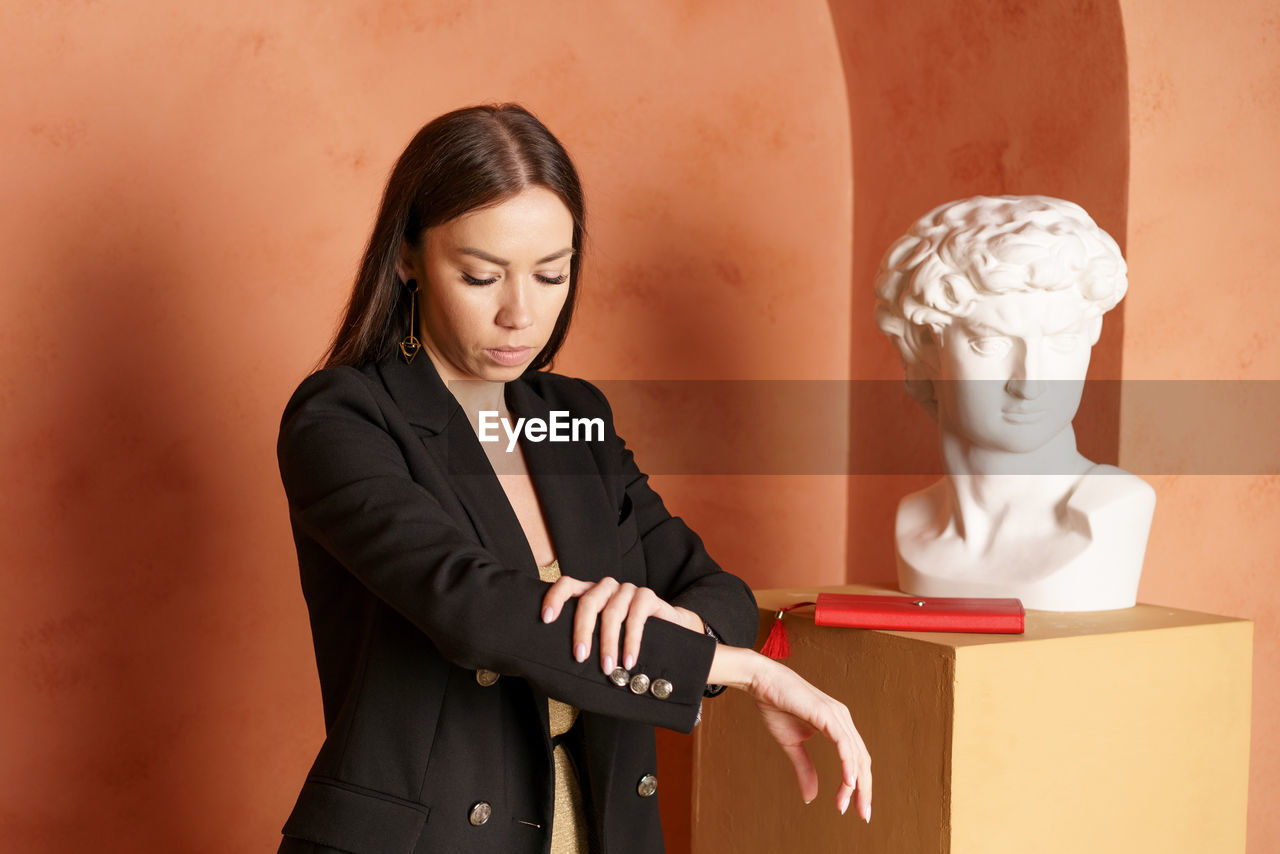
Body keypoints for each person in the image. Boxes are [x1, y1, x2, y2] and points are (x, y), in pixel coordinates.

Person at [275, 104, 872, 854]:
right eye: (480, 275)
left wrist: (674, 623)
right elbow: (471, 608)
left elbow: (713, 588)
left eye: (551, 273)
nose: (520, 313)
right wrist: (733, 670)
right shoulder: (343, 418)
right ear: (407, 259)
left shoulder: (570, 415)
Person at [873, 195, 1155, 611]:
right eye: (990, 343)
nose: (1030, 383)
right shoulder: (914, 519)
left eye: (1063, 341)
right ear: (926, 347)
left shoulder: (1112, 511)